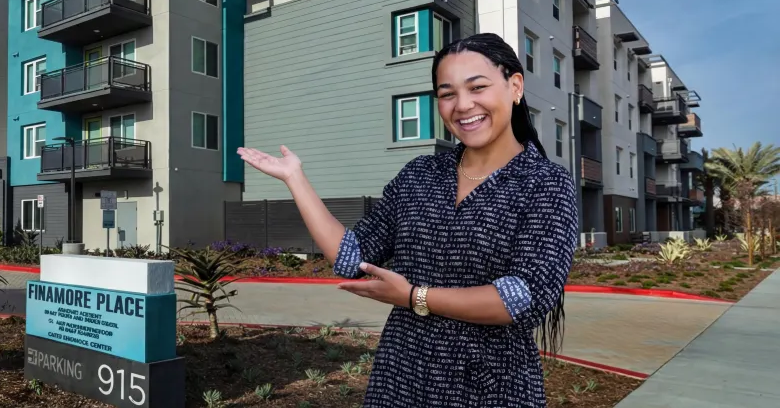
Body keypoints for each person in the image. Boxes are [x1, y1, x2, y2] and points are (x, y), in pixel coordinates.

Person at [238, 33, 578, 407]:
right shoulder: (419, 175)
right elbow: (351, 256)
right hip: (402, 377)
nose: (463, 105)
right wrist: (295, 179)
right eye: (447, 94)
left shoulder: (545, 183)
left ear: (514, 86)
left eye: (477, 87)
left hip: (492, 386)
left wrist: (415, 297)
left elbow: (522, 298)